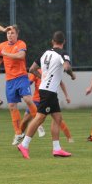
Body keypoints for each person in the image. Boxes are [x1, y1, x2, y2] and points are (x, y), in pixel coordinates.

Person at [17, 31, 76, 159]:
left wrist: (43, 78)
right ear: (63, 42)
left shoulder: (45, 53)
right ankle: (24, 145)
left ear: (52, 41)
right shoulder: (62, 53)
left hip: (48, 90)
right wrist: (72, 75)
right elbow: (67, 67)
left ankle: (57, 149)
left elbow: (32, 69)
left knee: (57, 118)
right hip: (49, 91)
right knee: (39, 118)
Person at [0, 25, 37, 145]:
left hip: (21, 77)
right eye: (8, 33)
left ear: (17, 34)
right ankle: (18, 133)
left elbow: (21, 56)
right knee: (12, 106)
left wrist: (6, 54)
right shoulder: (1, 46)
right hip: (9, 81)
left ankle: (38, 122)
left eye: (12, 33)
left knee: (28, 99)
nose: (10, 35)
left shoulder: (21, 44)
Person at [20, 70, 73, 143]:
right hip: (36, 100)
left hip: (47, 98)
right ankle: (19, 135)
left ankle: (69, 137)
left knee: (57, 118)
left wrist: (67, 96)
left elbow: (61, 83)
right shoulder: (37, 71)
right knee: (25, 119)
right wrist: (22, 88)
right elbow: (29, 82)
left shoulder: (53, 70)